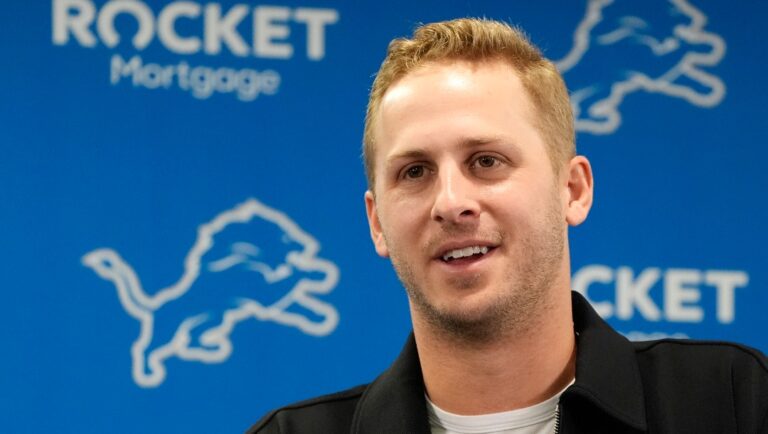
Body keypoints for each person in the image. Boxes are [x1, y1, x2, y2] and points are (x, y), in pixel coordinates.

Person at [247, 18, 768, 434]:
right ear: (377, 222)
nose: (451, 203)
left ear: (573, 190)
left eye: (486, 161)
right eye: (415, 172)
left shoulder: (733, 401)